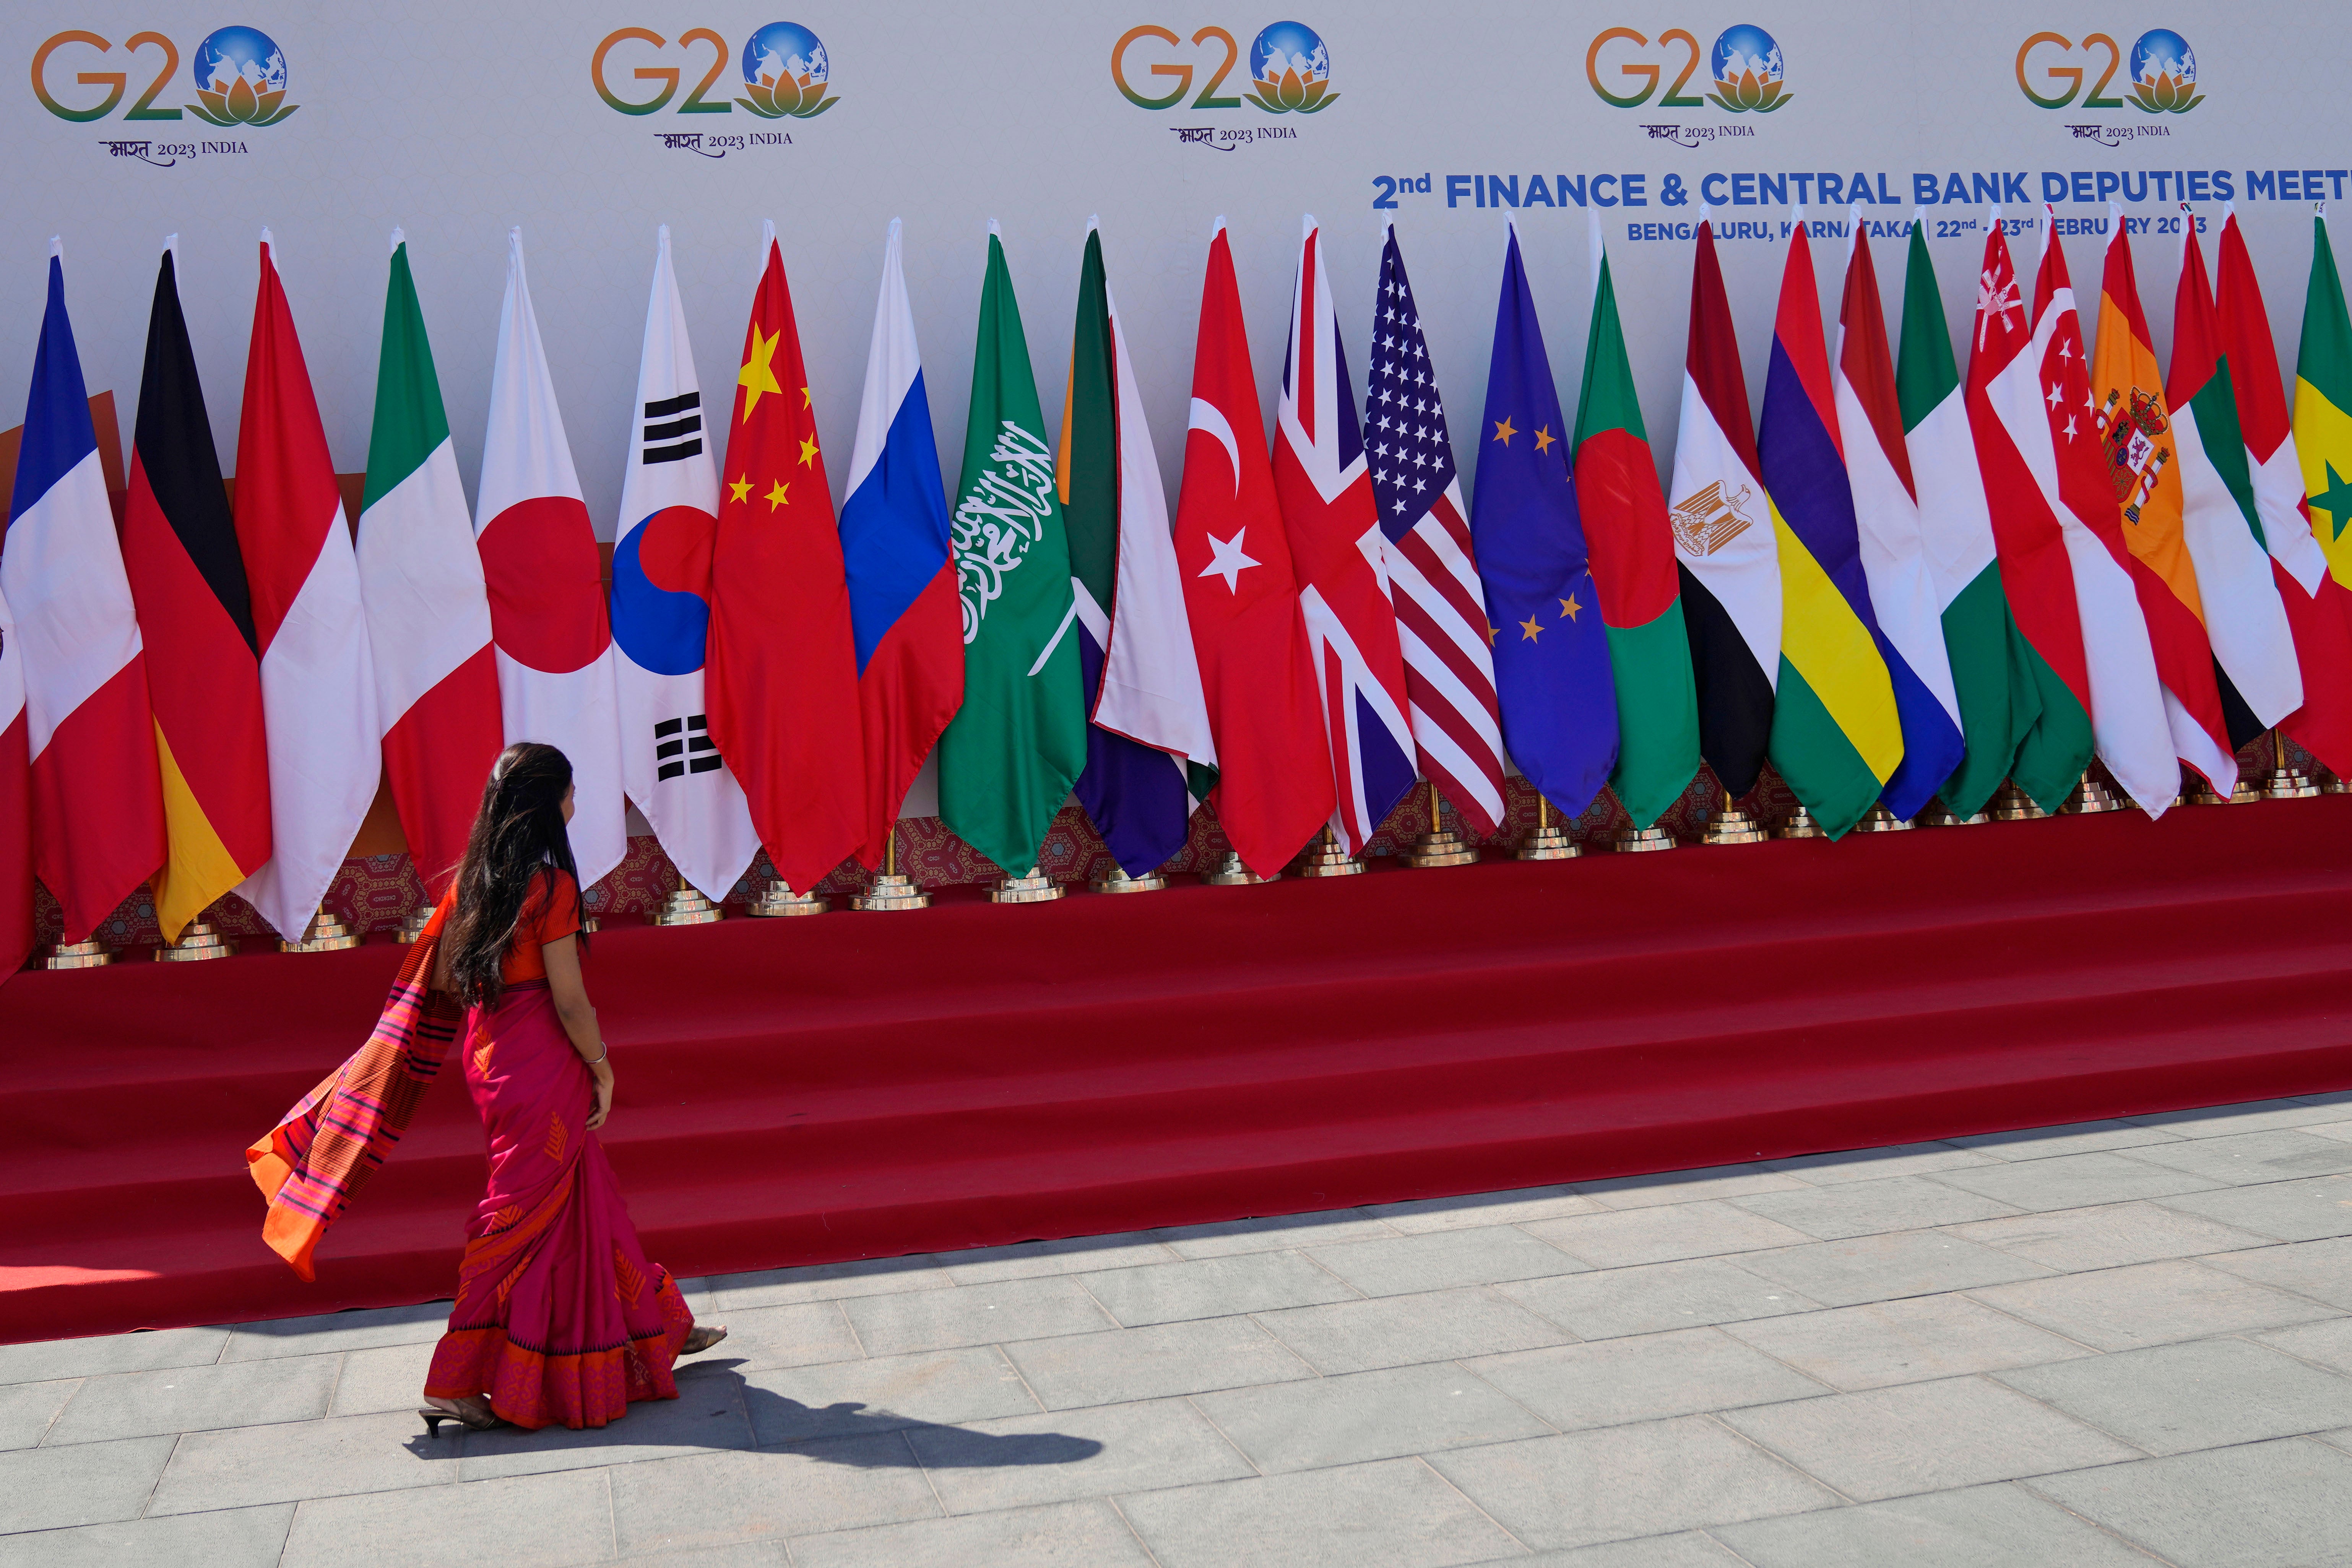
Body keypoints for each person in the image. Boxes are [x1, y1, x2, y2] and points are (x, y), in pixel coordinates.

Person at [414, 741, 724, 1432]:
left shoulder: (473, 883)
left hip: (494, 1057)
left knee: (586, 1198)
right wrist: (604, 1065)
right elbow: (572, 1001)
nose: (576, 804)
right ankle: (454, 1377)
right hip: (541, 1062)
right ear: (545, 804)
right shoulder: (548, 887)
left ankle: (656, 1330)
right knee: (516, 1219)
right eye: (570, 793)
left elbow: (440, 980)